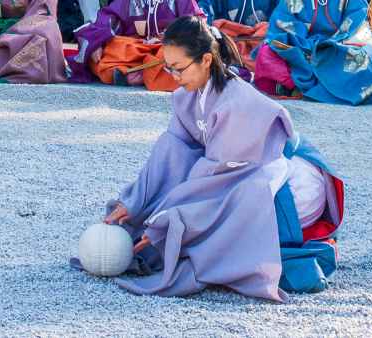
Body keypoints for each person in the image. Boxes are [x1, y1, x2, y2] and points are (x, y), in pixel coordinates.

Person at [101, 15, 344, 300]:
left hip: (285, 186)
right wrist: (136, 202)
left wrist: (170, 218)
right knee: (165, 212)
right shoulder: (185, 97)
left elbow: (216, 179)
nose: (173, 76)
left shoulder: (237, 103)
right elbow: (171, 151)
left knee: (213, 238)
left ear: (205, 60)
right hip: (232, 174)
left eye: (179, 68)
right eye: (169, 67)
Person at [264, 0, 372, 105]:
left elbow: (356, 19)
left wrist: (332, 42)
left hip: (340, 44)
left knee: (366, 58)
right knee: (268, 53)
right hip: (304, 43)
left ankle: (297, 87)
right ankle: (294, 85)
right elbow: (283, 19)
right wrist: (308, 43)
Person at [66, 0, 204, 91]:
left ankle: (137, 75)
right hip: (134, 52)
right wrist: (98, 40)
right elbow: (108, 17)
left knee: (180, 55)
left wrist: (171, 39)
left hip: (165, 51)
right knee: (107, 48)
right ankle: (141, 75)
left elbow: (195, 23)